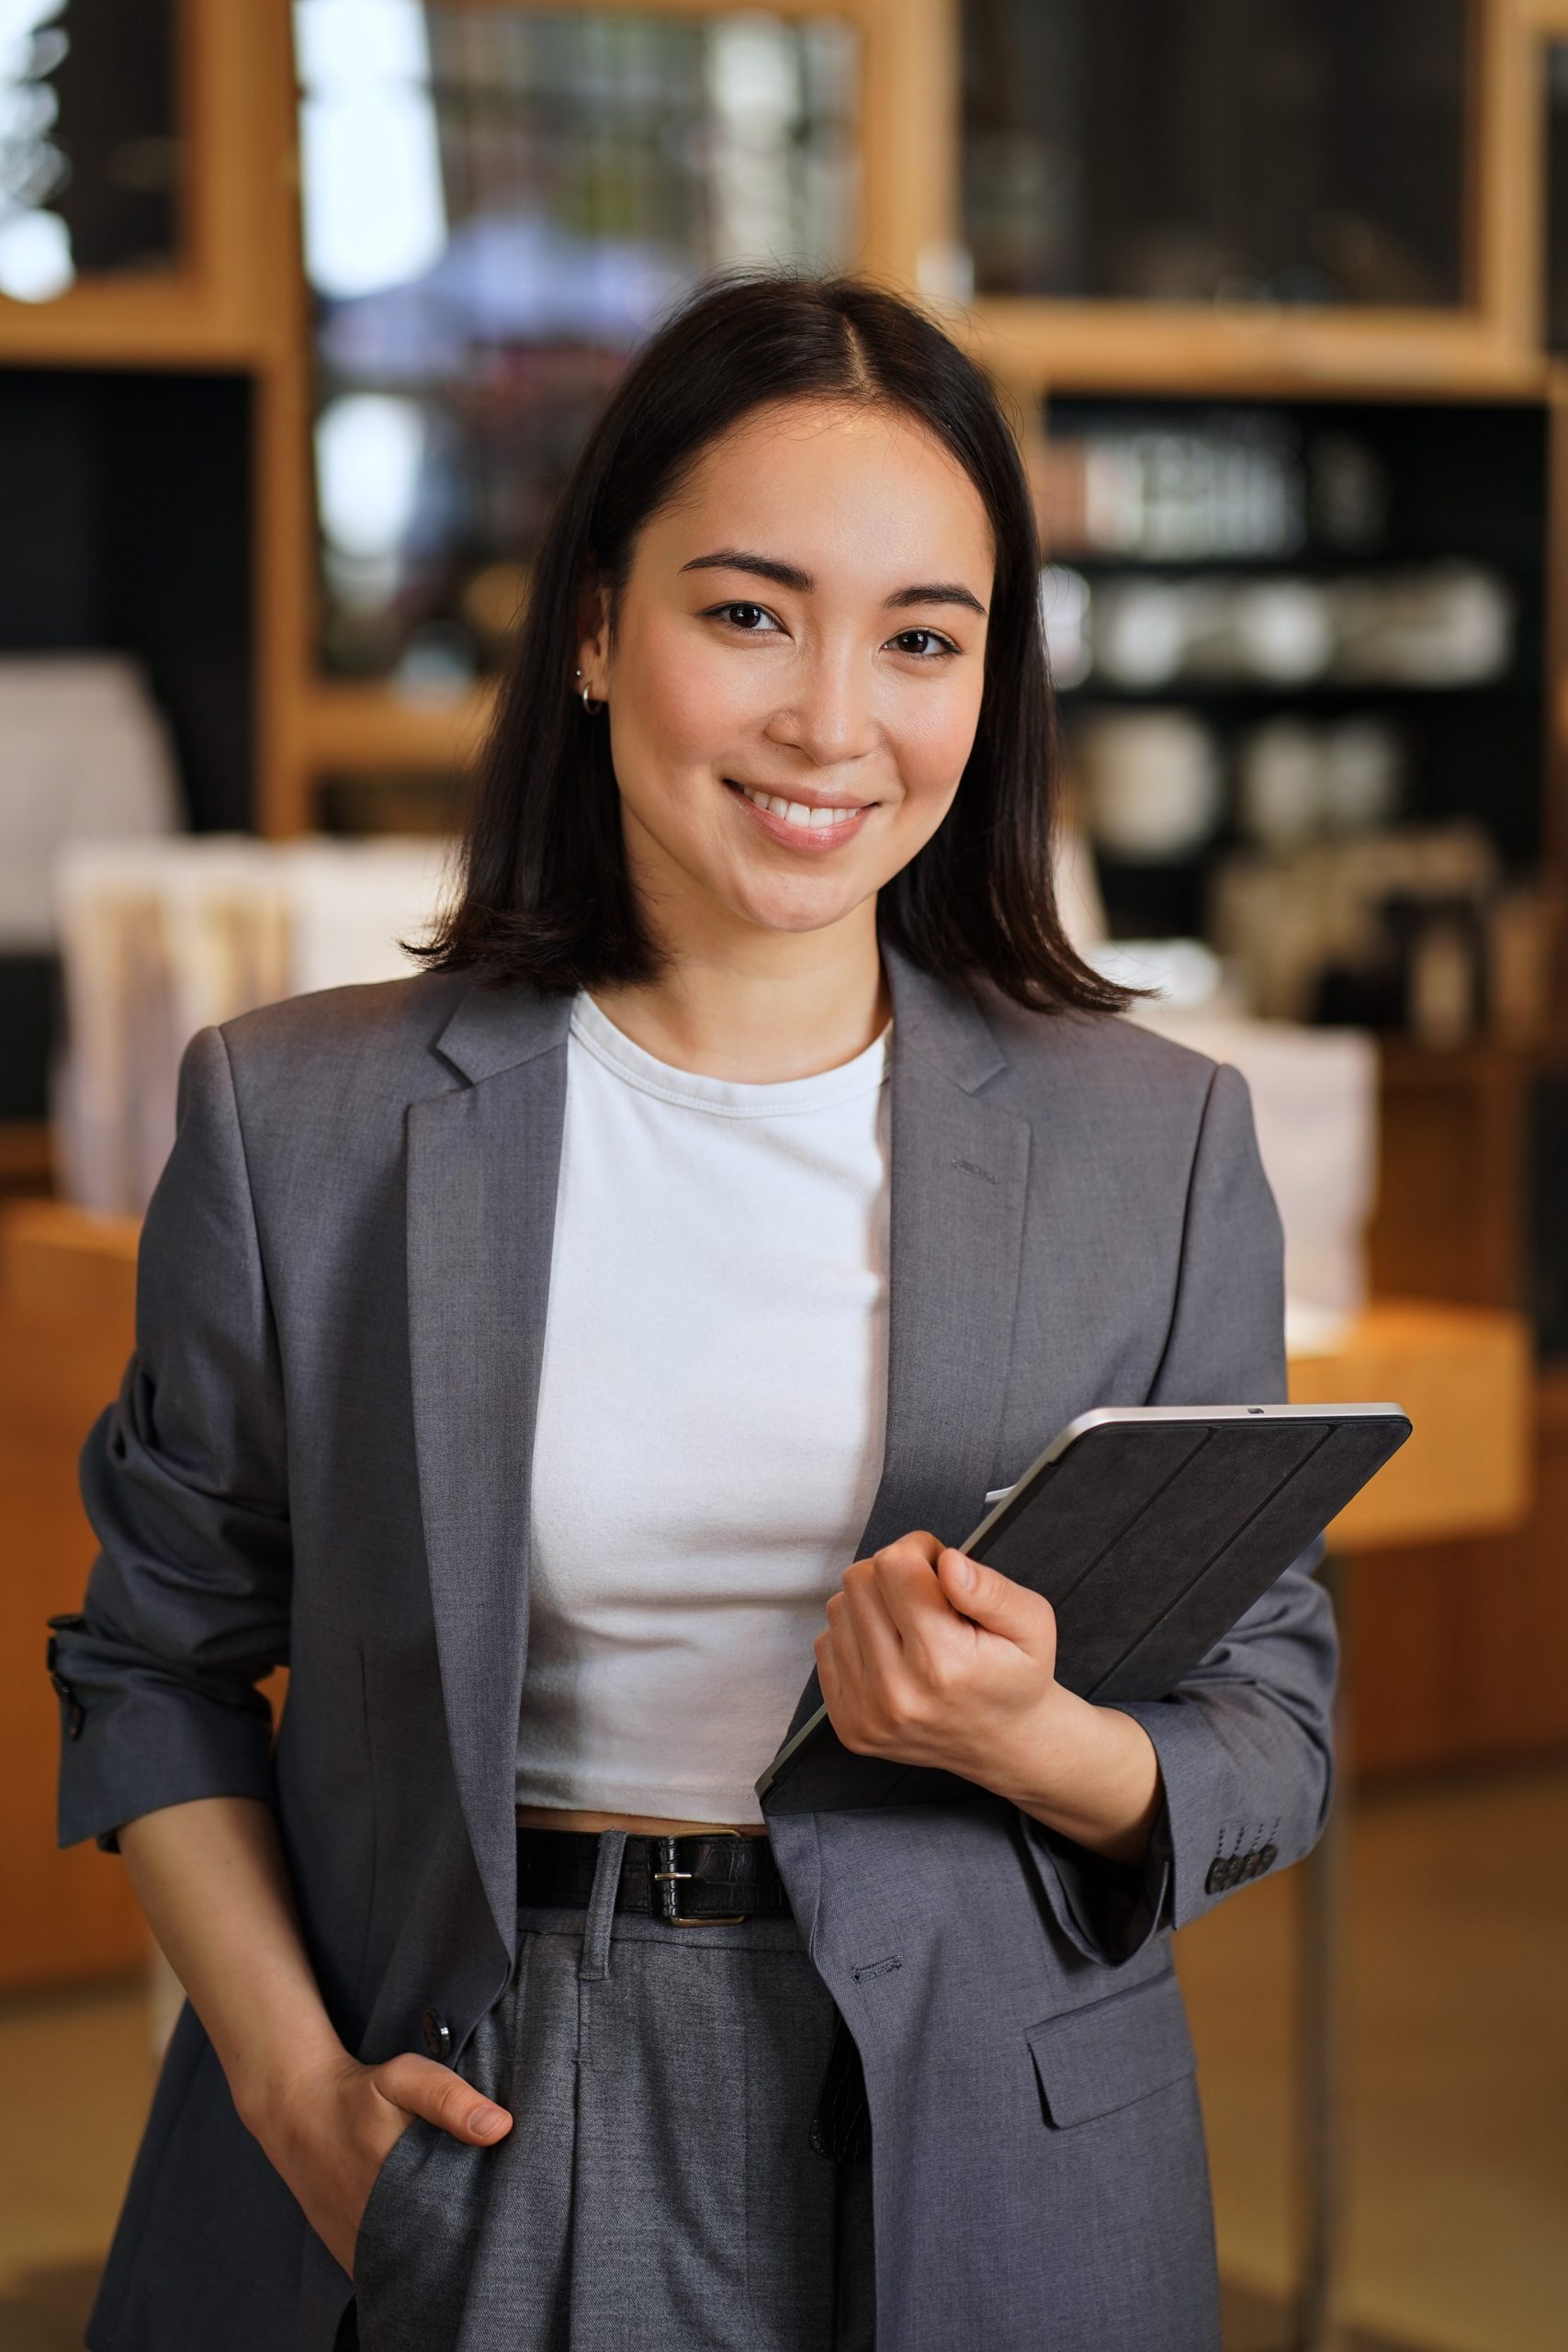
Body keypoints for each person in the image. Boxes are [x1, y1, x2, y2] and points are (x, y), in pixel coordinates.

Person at [49, 270, 1335, 2352]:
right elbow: (152, 1665)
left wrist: (1042, 1738)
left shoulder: (1153, 1143)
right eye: (748, 613)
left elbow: (1267, 1726)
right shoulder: (303, 1116)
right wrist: (298, 2095)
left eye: (921, 637)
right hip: (464, 2099)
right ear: (589, 626)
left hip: (988, 2133)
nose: (834, 720)